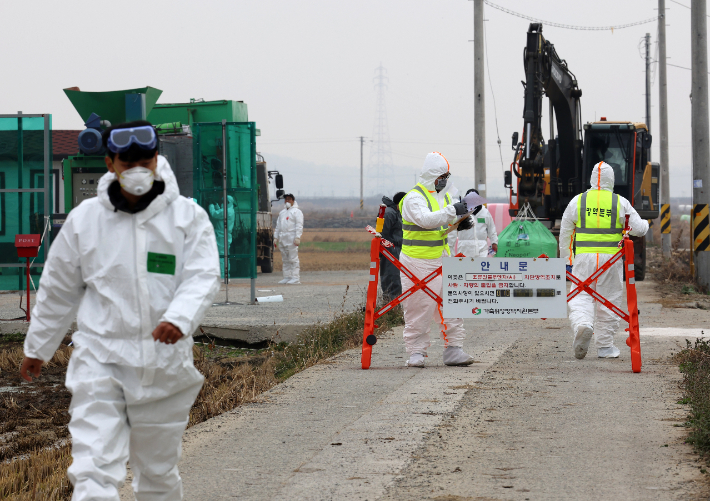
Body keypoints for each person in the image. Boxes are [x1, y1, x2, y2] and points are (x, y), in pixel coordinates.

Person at [19, 121, 221, 500]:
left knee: (158, 476)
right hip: (101, 360)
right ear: (110, 163)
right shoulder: (86, 221)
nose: (137, 169)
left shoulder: (186, 218)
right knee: (92, 473)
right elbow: (58, 289)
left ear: (157, 158)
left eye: (144, 159)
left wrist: (180, 317)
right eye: (127, 162)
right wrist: (37, 347)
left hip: (163, 366)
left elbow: (203, 274)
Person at [559, 161, 648, 359]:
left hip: (583, 259)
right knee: (609, 301)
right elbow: (639, 229)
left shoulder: (578, 201)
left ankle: (583, 324)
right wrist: (646, 224)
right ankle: (605, 347)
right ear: (612, 180)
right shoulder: (619, 202)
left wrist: (566, 258)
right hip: (611, 260)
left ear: (591, 179)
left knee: (580, 297)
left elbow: (565, 232)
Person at [399, 152, 479, 368]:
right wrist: (453, 211)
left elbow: (442, 224)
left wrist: (459, 221)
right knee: (419, 308)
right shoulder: (414, 198)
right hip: (417, 264)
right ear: (433, 175)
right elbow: (426, 221)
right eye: (442, 175)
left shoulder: (441, 196)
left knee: (453, 304)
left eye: (446, 176)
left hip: (442, 260)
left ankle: (454, 349)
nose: (445, 180)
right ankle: (416, 352)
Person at [455, 188, 499, 257]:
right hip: (464, 247)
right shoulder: (460, 212)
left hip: (481, 247)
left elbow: (491, 229)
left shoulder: (485, 212)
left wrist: (494, 242)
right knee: (465, 266)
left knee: (480, 267)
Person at [379, 192, 406, 301]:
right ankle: (390, 311)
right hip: (390, 251)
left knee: (398, 281)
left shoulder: (395, 212)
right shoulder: (389, 213)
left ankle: (394, 311)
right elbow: (381, 234)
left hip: (397, 250)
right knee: (392, 280)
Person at [274, 193, 304, 284]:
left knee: (293, 258)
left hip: (291, 237)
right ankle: (287, 276)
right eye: (286, 199)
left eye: (289, 199)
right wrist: (276, 237)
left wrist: (297, 237)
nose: (287, 201)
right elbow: (278, 226)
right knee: (285, 259)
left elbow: (299, 225)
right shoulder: (282, 212)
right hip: (283, 237)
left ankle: (295, 278)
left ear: (293, 201)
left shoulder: (297, 212)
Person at [209, 195, 236, 276]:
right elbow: (221, 212)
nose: (222, 203)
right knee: (225, 255)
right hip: (225, 235)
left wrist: (211, 205)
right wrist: (216, 205)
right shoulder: (230, 210)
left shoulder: (227, 211)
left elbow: (214, 214)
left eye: (223, 202)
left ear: (227, 202)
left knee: (221, 255)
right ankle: (226, 274)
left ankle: (222, 274)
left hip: (221, 235)